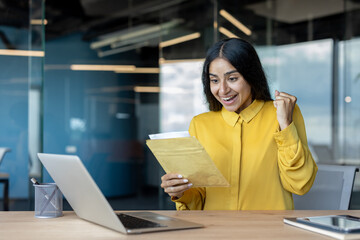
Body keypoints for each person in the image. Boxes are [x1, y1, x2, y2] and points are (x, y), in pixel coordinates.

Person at [160, 38, 318, 210]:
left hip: (270, 232)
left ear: (251, 76)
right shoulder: (200, 125)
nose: (222, 90)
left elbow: (300, 184)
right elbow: (198, 200)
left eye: (232, 78)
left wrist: (285, 125)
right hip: (216, 231)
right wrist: (181, 192)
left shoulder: (283, 114)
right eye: (214, 80)